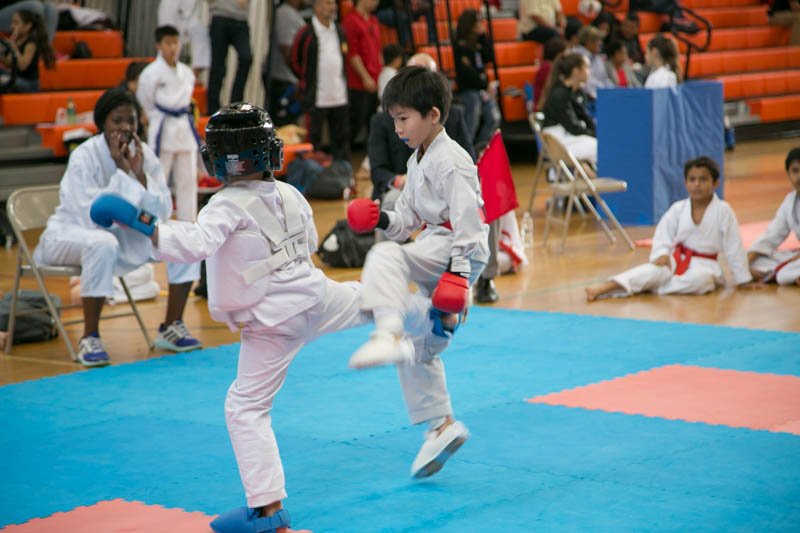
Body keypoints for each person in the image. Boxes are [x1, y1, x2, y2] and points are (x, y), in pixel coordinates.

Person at [94, 103, 441, 532]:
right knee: (367, 298)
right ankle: (428, 313)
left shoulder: (224, 205)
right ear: (269, 151)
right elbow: (309, 241)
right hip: (315, 297)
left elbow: (195, 243)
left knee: (245, 407)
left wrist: (144, 223)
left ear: (220, 158)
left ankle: (267, 513)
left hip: (273, 320)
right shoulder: (291, 194)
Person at [346, 65, 490, 478]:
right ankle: (441, 427)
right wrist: (380, 218)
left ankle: (390, 330)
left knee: (385, 260)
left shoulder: (453, 162)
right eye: (393, 119)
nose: (397, 128)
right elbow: (406, 221)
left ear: (433, 115)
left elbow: (470, 226)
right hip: (435, 244)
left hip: (456, 248)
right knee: (419, 346)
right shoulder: (418, 158)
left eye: (403, 118)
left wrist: (459, 278)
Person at [32, 87, 201, 367]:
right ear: (103, 124)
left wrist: (139, 175)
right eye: (117, 121)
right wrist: (121, 173)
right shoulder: (84, 155)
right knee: (103, 242)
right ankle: (90, 337)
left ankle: (172, 325)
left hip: (121, 235)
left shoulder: (143, 153)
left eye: (130, 121)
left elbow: (160, 213)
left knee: (179, 235)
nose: (124, 128)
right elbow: (92, 214)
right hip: (70, 234)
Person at [585, 157, 758, 301]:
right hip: (676, 258)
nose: (697, 184)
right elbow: (663, 234)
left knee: (701, 281)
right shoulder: (678, 208)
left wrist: (743, 279)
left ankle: (652, 286)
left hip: (706, 265)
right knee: (652, 270)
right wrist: (661, 253)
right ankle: (605, 288)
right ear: (685, 182)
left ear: (715, 183)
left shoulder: (723, 210)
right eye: (692, 179)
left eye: (703, 179)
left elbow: (734, 246)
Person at [137, 25, 202, 226]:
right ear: (159, 45)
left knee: (188, 180)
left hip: (184, 127)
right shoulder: (151, 73)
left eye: (176, 42)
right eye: (168, 43)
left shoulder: (186, 72)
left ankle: (189, 223)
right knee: (159, 179)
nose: (173, 47)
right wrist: (154, 118)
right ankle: (155, 223)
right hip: (163, 127)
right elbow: (145, 100)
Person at [291, 0, 350, 160]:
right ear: (316, 7)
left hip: (339, 95)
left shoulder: (339, 31)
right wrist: (305, 81)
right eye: (328, 3)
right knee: (313, 142)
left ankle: (342, 175)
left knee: (341, 140)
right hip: (316, 97)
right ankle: (314, 176)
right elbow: (295, 60)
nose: (333, 7)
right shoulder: (306, 33)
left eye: (333, 4)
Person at [747, 147, 800, 285]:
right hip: (796, 261)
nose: (799, 176)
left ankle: (785, 274)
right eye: (795, 171)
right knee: (757, 262)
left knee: (784, 273)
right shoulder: (790, 201)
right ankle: (790, 275)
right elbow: (772, 235)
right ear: (788, 174)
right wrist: (745, 263)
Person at [453, 9, 500, 152]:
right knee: (472, 118)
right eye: (478, 21)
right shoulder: (461, 45)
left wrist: (484, 36)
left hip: (482, 89)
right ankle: (465, 150)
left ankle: (479, 149)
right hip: (469, 90)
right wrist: (485, 85)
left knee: (494, 117)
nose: (480, 24)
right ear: (470, 24)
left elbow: (490, 58)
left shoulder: (478, 43)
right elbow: (468, 74)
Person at [539, 53, 597, 165]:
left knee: (600, 142)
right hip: (560, 143)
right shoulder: (560, 95)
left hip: (570, 138)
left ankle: (592, 177)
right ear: (576, 71)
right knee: (599, 146)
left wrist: (596, 132)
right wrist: (594, 134)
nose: (589, 71)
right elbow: (573, 127)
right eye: (587, 67)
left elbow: (584, 117)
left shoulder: (576, 93)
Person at [342, 0, 382, 147]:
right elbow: (353, 53)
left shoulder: (373, 20)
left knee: (372, 120)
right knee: (356, 121)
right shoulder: (351, 21)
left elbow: (378, 49)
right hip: (358, 82)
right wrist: (365, 77)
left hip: (375, 76)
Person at [265, 0, 306, 127]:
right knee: (283, 128)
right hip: (282, 80)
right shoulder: (285, 13)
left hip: (291, 80)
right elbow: (286, 49)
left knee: (291, 126)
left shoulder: (294, 14)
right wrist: (300, 77)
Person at [207, 0, 251, 114]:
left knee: (246, 58)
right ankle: (213, 109)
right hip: (220, 16)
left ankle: (235, 105)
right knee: (218, 67)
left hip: (241, 19)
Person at [0, 9, 54, 92]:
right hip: (17, 78)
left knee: (4, 81)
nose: (12, 26)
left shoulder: (31, 42)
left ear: (27, 26)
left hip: (29, 84)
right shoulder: (17, 39)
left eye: (16, 23)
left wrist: (13, 47)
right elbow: (10, 63)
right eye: (12, 22)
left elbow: (22, 66)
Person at [157, 0, 211, 79]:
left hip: (191, 12)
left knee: (201, 34)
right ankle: (163, 74)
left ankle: (193, 77)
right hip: (171, 9)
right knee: (169, 41)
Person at [572, 24, 612, 98]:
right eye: (598, 40)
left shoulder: (598, 58)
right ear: (589, 42)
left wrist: (614, 91)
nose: (601, 43)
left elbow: (605, 79)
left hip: (602, 97)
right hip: (583, 98)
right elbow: (583, 83)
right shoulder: (575, 56)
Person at [533, 36, 566, 107]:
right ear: (558, 54)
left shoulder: (547, 65)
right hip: (544, 106)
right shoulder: (547, 67)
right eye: (563, 52)